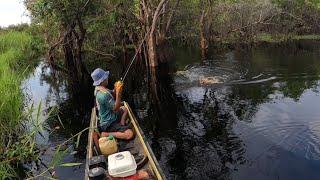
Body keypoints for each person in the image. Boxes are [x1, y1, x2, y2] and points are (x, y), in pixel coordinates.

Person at [91, 68, 134, 140]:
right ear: (102, 80)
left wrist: (116, 88)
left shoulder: (99, 88)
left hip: (112, 115)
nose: (107, 78)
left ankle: (122, 124)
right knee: (129, 134)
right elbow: (116, 107)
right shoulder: (103, 95)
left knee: (124, 109)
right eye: (106, 78)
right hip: (108, 123)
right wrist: (118, 94)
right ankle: (106, 134)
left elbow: (111, 93)